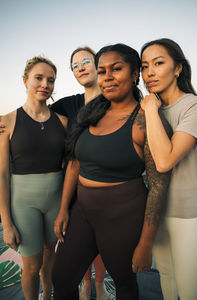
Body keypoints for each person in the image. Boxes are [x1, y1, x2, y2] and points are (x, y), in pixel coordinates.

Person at [52, 43, 171, 300]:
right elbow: (74, 162)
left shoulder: (144, 119)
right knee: (61, 279)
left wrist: (145, 244)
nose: (107, 77)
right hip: (82, 211)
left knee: (124, 283)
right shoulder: (91, 112)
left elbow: (158, 186)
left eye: (116, 69)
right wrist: (64, 208)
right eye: (102, 70)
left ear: (135, 73)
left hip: (122, 216)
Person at [0, 56, 67, 300]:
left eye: (50, 80)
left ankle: (47, 295)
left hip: (55, 200)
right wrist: (7, 223)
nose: (45, 84)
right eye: (39, 78)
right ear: (25, 80)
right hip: (23, 202)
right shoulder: (6, 122)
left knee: (51, 256)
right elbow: (2, 175)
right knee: (30, 266)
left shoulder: (63, 122)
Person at [140, 38, 197, 300]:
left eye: (158, 63)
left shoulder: (193, 107)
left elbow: (165, 160)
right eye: (144, 66)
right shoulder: (147, 108)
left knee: (189, 290)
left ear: (178, 69)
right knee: (166, 279)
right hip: (157, 210)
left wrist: (151, 108)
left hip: (188, 214)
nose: (149, 72)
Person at [51, 46, 109, 300]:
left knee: (100, 242)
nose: (81, 67)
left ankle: (99, 285)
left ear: (98, 65)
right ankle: (86, 283)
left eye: (86, 61)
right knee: (77, 240)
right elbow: (35, 113)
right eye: (75, 65)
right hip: (72, 184)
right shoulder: (69, 104)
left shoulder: (113, 100)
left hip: (105, 184)